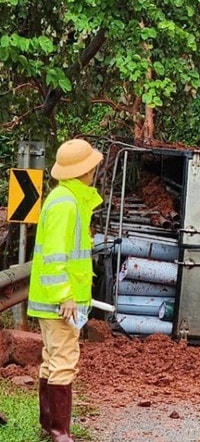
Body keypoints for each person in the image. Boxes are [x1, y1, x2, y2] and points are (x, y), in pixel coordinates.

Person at [27, 139, 104, 442]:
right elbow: (56, 256)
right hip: (61, 302)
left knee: (52, 359)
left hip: (57, 300)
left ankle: (50, 426)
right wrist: (66, 296)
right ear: (83, 170)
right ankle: (60, 433)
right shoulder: (66, 203)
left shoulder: (66, 199)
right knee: (63, 362)